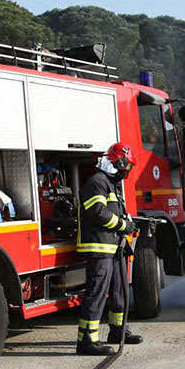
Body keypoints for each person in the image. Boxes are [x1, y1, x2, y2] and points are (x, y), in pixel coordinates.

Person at [75, 142, 144, 356]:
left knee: (119, 291)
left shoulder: (111, 185)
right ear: (117, 162)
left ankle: (117, 331)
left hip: (114, 248)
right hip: (100, 248)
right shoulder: (97, 182)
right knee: (97, 293)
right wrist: (124, 225)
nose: (126, 171)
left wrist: (129, 223)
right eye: (126, 166)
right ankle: (87, 340)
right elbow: (98, 212)